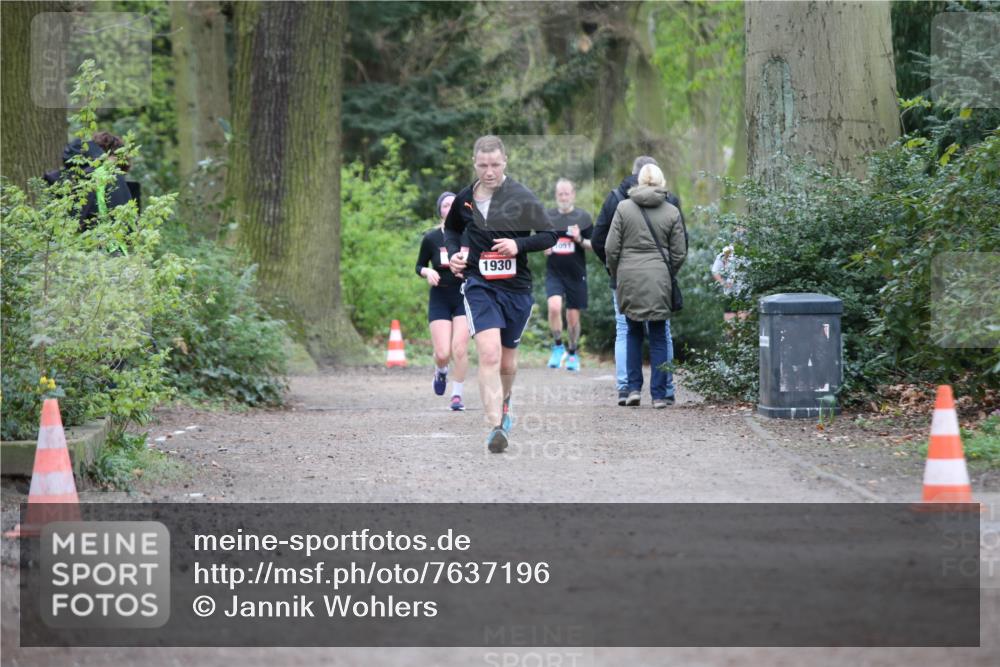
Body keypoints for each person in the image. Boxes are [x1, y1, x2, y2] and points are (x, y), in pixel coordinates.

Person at [444, 135, 557, 453]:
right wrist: (454, 253)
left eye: (494, 165)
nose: (488, 171)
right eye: (482, 165)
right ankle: (495, 426)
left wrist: (517, 245)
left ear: (505, 162)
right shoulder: (465, 198)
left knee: (507, 361)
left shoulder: (521, 196)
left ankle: (505, 403)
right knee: (489, 354)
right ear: (474, 163)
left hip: (517, 290)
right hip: (479, 284)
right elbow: (452, 229)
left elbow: (550, 235)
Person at [592, 156, 684, 406]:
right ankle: (659, 395)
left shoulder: (623, 208)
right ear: (661, 180)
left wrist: (616, 271)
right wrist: (667, 272)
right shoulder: (671, 209)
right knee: (658, 334)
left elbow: (610, 247)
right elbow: (680, 251)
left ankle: (632, 389)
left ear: (639, 179)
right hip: (659, 280)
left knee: (631, 331)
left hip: (628, 278)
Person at [415, 192, 471, 411]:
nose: (451, 208)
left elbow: (482, 264)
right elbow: (418, 266)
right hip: (440, 296)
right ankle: (441, 371)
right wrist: (427, 271)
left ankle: (457, 395)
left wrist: (469, 272)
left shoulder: (470, 235)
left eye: (454, 204)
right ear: (440, 210)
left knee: (459, 348)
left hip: (464, 296)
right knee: (442, 353)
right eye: (446, 205)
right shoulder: (431, 238)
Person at [544, 178, 593, 371]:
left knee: (573, 317)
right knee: (554, 307)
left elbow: (593, 245)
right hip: (554, 273)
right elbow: (541, 241)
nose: (563, 197)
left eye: (566, 193)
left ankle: (573, 352)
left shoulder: (583, 217)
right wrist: (545, 247)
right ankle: (558, 347)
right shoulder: (548, 217)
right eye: (560, 194)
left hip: (576, 274)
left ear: (573, 195)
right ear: (556, 196)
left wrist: (580, 238)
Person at [711, 240, 750, 322]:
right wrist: (723, 283)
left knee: (743, 319)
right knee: (730, 321)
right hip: (730, 292)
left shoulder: (749, 250)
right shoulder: (726, 252)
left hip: (746, 291)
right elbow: (715, 271)